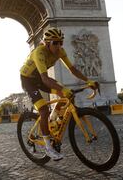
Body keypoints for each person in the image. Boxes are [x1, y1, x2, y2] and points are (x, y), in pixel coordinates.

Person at [20, 27, 97, 161]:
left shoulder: (60, 51)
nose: (59, 45)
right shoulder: (39, 52)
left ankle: (52, 119)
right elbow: (45, 79)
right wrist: (63, 89)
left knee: (65, 94)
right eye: (55, 42)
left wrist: (88, 80)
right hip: (28, 80)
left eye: (61, 42)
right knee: (43, 110)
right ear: (47, 43)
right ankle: (49, 148)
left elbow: (72, 69)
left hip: (40, 78)